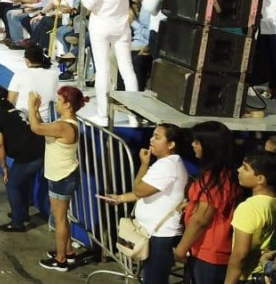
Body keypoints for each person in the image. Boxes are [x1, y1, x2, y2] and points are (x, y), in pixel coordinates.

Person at [104, 123, 190, 284]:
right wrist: (121, 198)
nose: (151, 140)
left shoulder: (167, 166)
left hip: (161, 235)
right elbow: (148, 191)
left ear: (171, 144)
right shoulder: (164, 164)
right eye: (152, 135)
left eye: (157, 137)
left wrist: (143, 164)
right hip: (151, 233)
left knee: (154, 279)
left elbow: (139, 190)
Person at [78, 0, 139, 125]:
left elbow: (89, 3)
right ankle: (133, 116)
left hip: (102, 25)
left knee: (103, 70)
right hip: (121, 25)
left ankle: (103, 115)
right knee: (127, 70)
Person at [173, 121, 240, 284]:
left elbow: (201, 219)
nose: (193, 145)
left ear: (209, 146)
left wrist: (181, 249)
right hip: (211, 252)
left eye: (197, 142)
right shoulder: (225, 174)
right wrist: (191, 205)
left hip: (209, 253)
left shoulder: (213, 179)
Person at [28, 86, 86, 272]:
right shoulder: (66, 123)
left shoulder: (64, 126)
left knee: (60, 219)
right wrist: (36, 111)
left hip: (61, 177)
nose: (57, 104)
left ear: (68, 104)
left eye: (60, 101)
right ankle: (67, 251)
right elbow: (44, 128)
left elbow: (36, 128)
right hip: (63, 175)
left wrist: (30, 106)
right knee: (63, 217)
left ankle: (60, 260)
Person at [225, 150, 276, 284]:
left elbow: (240, 255)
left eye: (245, 168)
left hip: (251, 277)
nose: (238, 170)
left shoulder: (249, 207)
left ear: (260, 179)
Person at [0, 85, 45, 233]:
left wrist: (4, 167)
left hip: (28, 157)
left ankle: (17, 222)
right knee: (23, 182)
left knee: (12, 184)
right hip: (39, 152)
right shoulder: (17, 111)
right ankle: (22, 213)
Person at [7, 45, 58, 122]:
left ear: (27, 60)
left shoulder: (19, 75)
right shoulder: (54, 75)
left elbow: (10, 101)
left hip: (24, 122)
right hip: (46, 122)